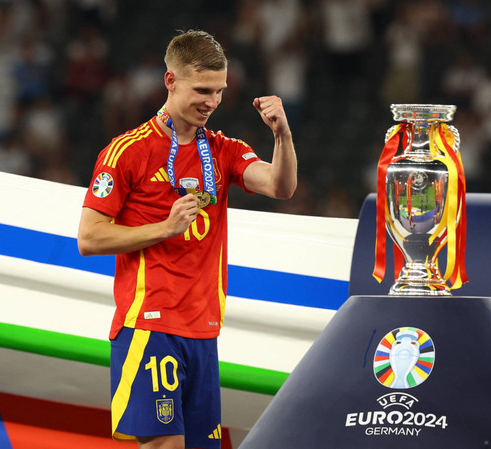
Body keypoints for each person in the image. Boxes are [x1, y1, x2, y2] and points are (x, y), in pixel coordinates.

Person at [77, 29, 297, 449]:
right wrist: (164, 227)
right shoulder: (127, 151)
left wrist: (282, 135)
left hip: (204, 329)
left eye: (219, 91)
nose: (212, 102)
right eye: (202, 89)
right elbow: (89, 238)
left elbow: (280, 186)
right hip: (149, 325)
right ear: (170, 81)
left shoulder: (223, 149)